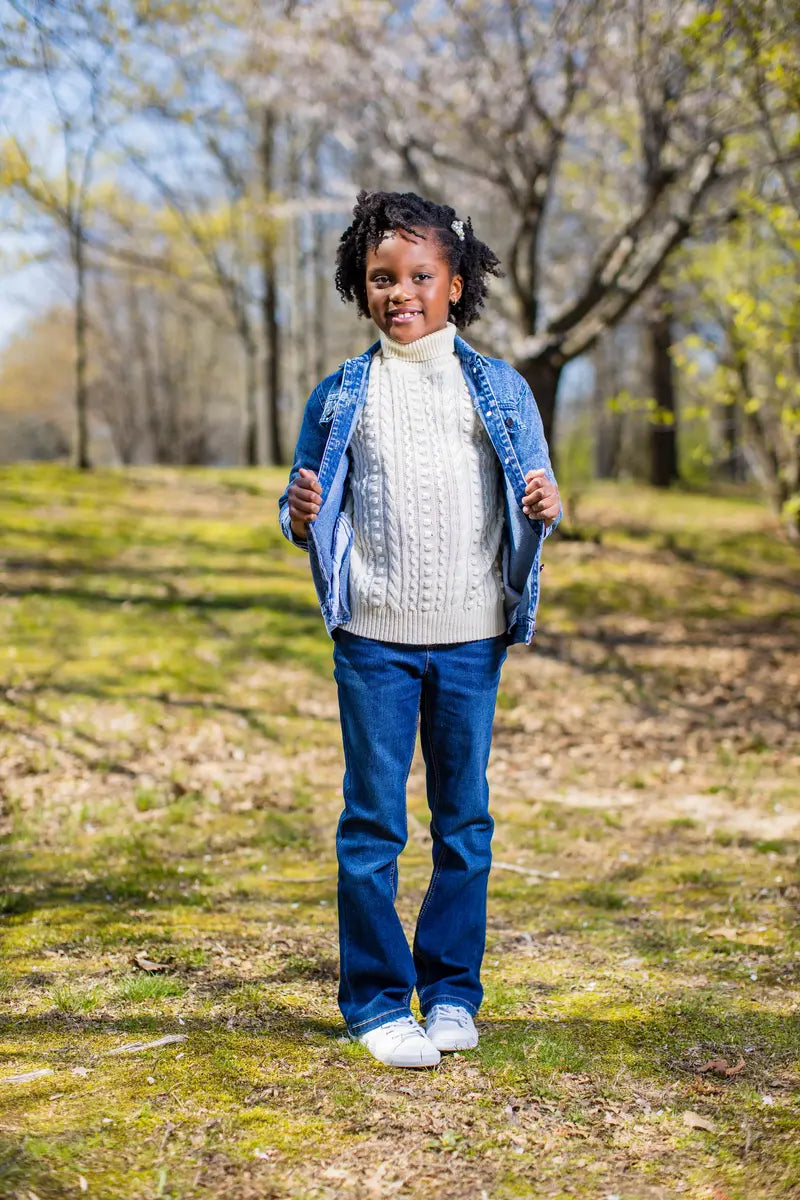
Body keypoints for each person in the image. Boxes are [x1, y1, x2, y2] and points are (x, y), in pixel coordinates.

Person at [278, 190, 560, 1069]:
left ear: (457, 281)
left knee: (464, 822)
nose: (400, 292)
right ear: (361, 289)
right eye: (381, 278)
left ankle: (449, 993)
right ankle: (372, 1002)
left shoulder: (499, 388)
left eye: (419, 275)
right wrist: (297, 512)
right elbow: (305, 507)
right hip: (374, 638)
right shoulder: (340, 396)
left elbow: (535, 491)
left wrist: (550, 503)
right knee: (373, 824)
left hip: (472, 637)